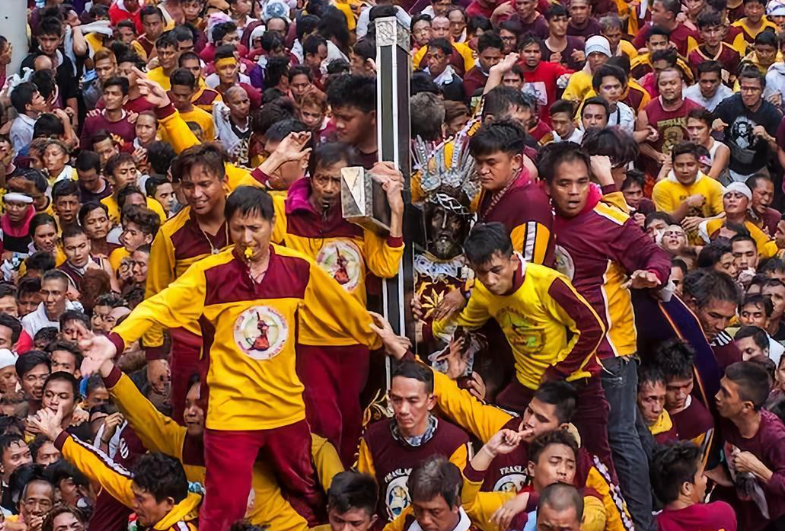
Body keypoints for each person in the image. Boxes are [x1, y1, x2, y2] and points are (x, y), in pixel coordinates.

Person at [79, 186, 386, 531]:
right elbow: (160, 305)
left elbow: (340, 307)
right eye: (238, 228)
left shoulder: (297, 267)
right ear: (228, 227)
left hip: (284, 404)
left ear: (272, 225)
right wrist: (115, 342)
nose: (247, 238)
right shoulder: (210, 272)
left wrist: (379, 337)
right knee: (223, 504)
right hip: (231, 409)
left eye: (255, 228)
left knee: (305, 488)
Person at [540, 142, 671, 531]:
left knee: (619, 436)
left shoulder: (609, 220)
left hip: (610, 351)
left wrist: (652, 275)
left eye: (582, 182)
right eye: (565, 184)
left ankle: (640, 523)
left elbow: (655, 256)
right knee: (613, 434)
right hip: (565, 350)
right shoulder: (540, 219)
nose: (574, 191)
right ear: (547, 186)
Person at [272, 142, 404, 464]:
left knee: (350, 418)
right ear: (310, 176)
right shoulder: (285, 212)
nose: (329, 189)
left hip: (354, 336)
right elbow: (239, 198)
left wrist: (396, 213)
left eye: (338, 181)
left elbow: (385, 266)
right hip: (309, 338)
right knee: (323, 422)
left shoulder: (360, 215)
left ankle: (345, 485)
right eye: (322, 179)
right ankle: (324, 486)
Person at [433, 223, 610, 461]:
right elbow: (463, 324)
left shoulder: (547, 283)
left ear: (514, 260)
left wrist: (557, 372)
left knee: (593, 458)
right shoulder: (483, 292)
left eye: (496, 270)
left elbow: (593, 328)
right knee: (501, 439)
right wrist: (425, 327)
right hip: (526, 386)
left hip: (575, 382)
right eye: (481, 273)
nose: (490, 280)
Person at [357, 361, 470, 522]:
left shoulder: (454, 442)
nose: (403, 410)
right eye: (397, 400)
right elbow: (364, 500)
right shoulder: (374, 437)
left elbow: (458, 506)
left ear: (431, 401)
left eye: (412, 401)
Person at [714, 361, 785, 530]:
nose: (717, 396)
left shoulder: (774, 437)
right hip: (737, 514)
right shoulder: (723, 418)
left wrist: (757, 468)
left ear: (747, 406)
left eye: (725, 393)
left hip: (768, 521)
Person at [651, 441, 738, 531]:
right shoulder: (723, 514)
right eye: (701, 476)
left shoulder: (655, 525)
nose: (706, 479)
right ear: (687, 488)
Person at [716, 67, 782, 181]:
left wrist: (768, 137)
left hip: (758, 170)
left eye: (754, 89)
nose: (749, 93)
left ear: (762, 90)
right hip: (729, 168)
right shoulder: (730, 104)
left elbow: (780, 149)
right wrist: (714, 122)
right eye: (745, 88)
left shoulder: (772, 114)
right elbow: (708, 120)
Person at [651, 142, 725, 242]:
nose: (685, 170)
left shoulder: (713, 185)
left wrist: (703, 222)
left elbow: (726, 216)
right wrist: (686, 204)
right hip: (674, 245)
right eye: (680, 165)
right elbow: (664, 223)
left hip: (709, 244)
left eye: (690, 164)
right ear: (672, 165)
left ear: (698, 164)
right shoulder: (661, 188)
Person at [637, 67, 704, 171]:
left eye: (673, 83)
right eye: (663, 84)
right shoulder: (646, 112)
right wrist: (656, 155)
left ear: (682, 84)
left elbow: (705, 140)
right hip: (655, 171)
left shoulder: (696, 109)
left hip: (689, 169)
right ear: (658, 87)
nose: (668, 87)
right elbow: (639, 143)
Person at [657, 340, 716, 459]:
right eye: (673, 388)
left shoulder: (701, 422)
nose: (681, 395)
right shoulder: (645, 405)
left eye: (687, 385)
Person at [80, 77, 137, 149]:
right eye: (106, 93)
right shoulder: (91, 121)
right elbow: (84, 150)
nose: (109, 97)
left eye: (114, 94)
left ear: (125, 99)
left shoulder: (132, 123)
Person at [688, 11, 742, 86]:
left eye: (716, 30)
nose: (712, 35)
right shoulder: (694, 56)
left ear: (723, 31)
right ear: (700, 33)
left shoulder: (732, 53)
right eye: (708, 31)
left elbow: (737, 80)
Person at [22, 271, 78, 338]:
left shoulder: (78, 318)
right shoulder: (29, 322)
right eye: (45, 292)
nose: (49, 299)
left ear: (66, 295)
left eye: (55, 293)